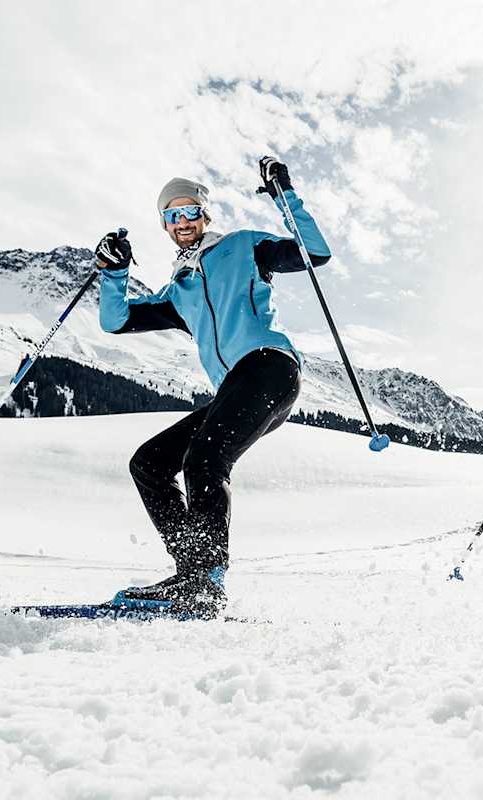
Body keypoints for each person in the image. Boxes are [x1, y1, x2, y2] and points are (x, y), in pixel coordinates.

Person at [94, 157, 330, 617]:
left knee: (205, 458)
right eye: (171, 215)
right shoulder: (178, 290)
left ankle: (205, 579)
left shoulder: (243, 248)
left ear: (205, 215)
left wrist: (285, 195)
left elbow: (314, 252)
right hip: (234, 390)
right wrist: (113, 273)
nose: (182, 221)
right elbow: (115, 321)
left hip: (269, 368)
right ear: (163, 224)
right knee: (150, 463)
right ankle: (191, 573)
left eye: (189, 211)